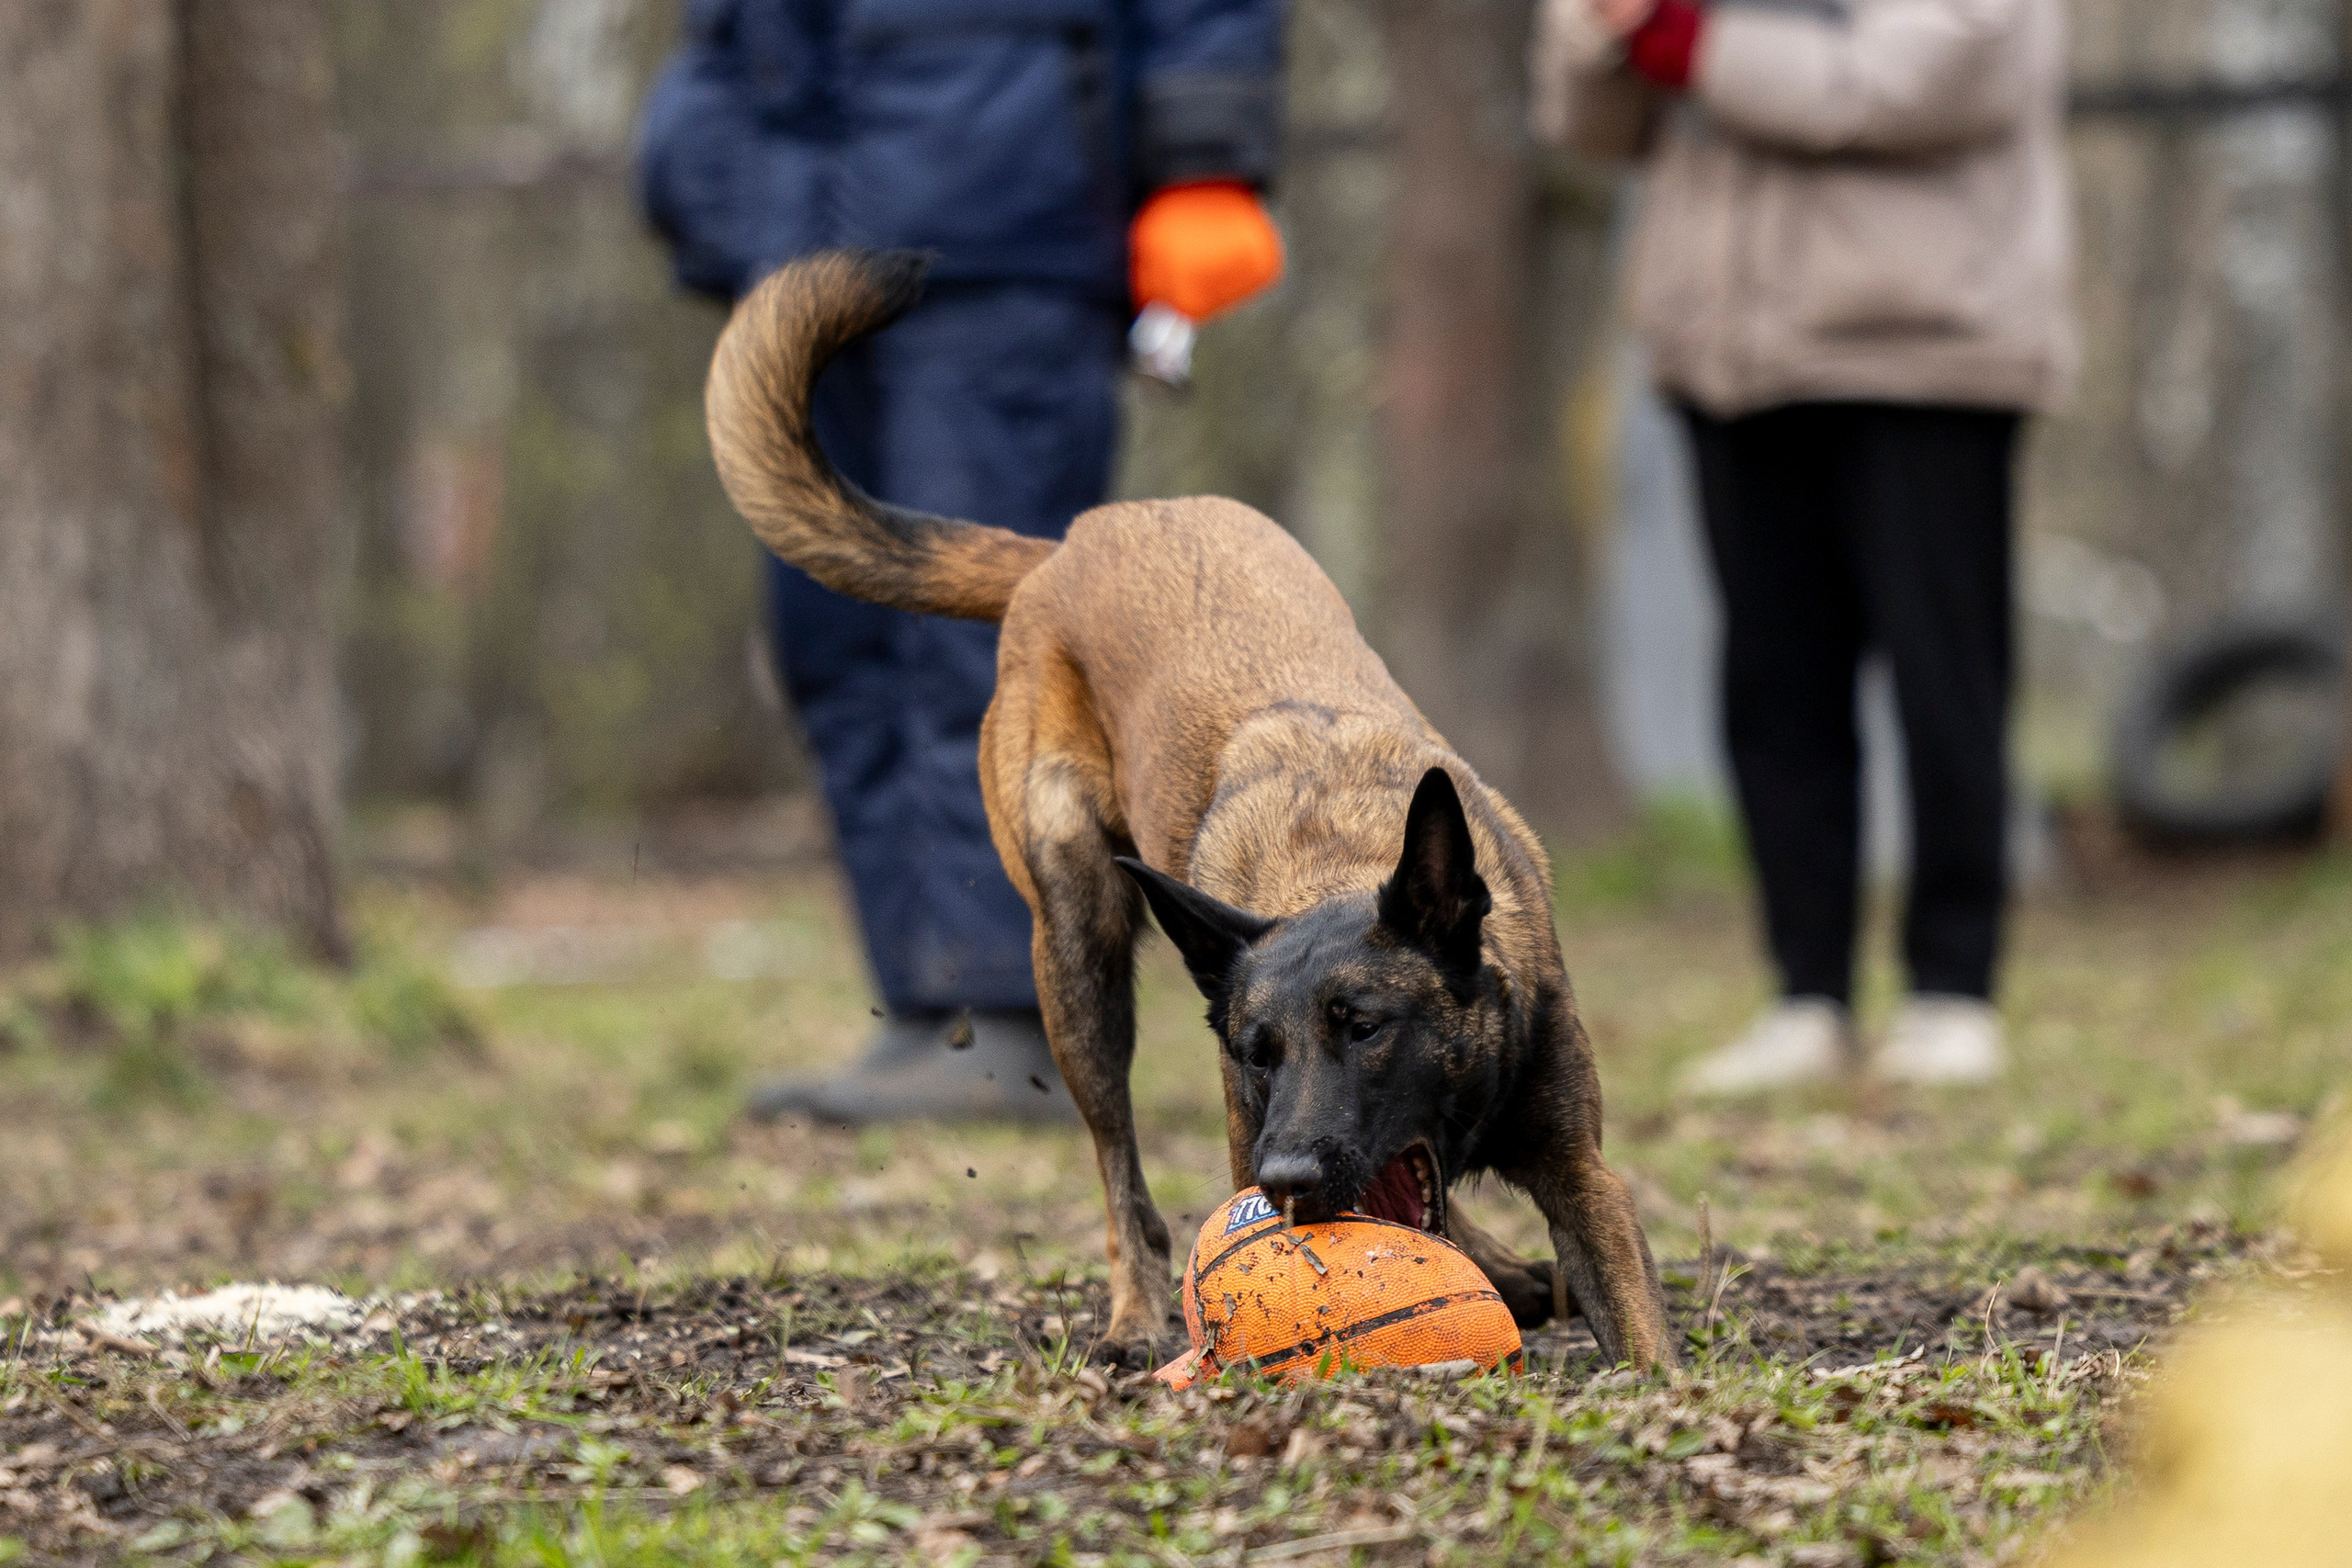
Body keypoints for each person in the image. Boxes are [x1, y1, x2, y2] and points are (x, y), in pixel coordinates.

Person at [639, 0, 1287, 1122]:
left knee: (977, 641)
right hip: (794, 245)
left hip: (1005, 234)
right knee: (831, 639)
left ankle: (1012, 1014)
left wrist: (1206, 160)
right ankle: (922, 1002)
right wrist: (699, 174)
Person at [1532, 0, 2076, 1092]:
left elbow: (1933, 72)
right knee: (1775, 685)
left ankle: (1951, 988)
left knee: (1945, 672)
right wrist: (1604, 32)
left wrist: (1690, 41)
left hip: (1924, 347)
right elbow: (1586, 129)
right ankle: (1806, 994)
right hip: (1732, 354)